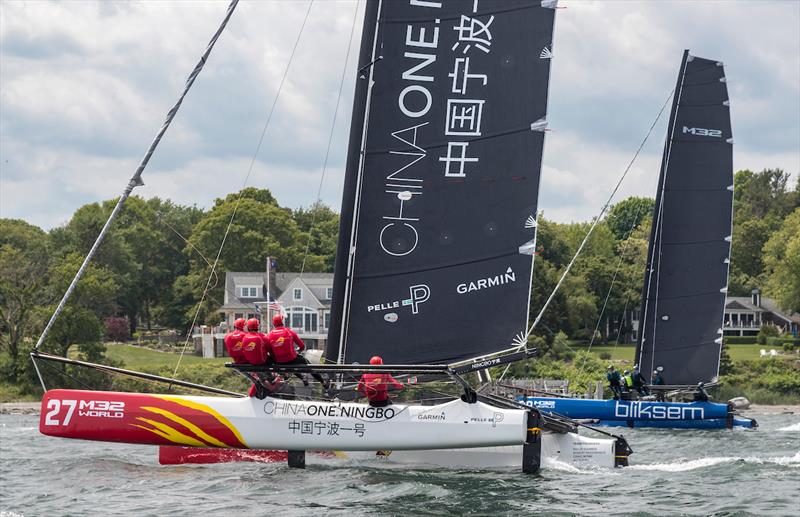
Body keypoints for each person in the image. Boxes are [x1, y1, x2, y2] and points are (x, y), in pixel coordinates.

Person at [265, 313, 329, 389]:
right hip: (292, 359)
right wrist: (298, 351)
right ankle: (323, 382)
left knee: (290, 366)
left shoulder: (269, 335)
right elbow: (302, 346)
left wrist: (276, 358)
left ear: (274, 324)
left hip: (279, 362)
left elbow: (269, 351)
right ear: (282, 322)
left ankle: (301, 377)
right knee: (308, 365)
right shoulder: (289, 332)